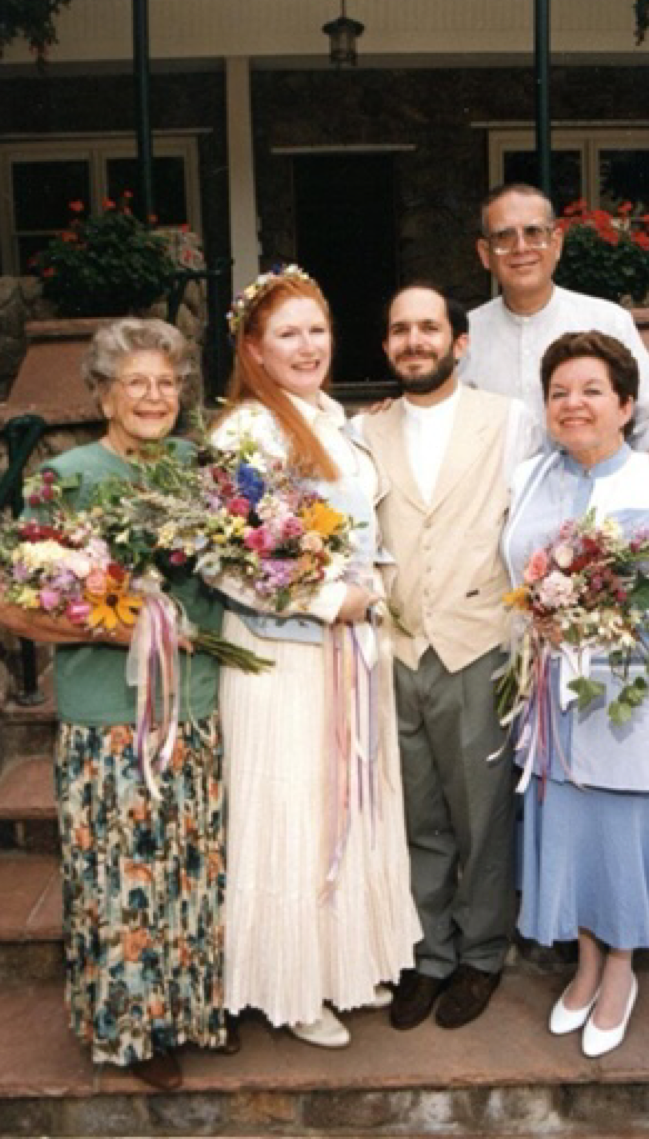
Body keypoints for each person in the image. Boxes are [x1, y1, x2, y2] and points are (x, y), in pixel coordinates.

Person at [0, 318, 230, 1091]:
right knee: (119, 875)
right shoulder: (66, 478)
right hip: (107, 716)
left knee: (190, 867)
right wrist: (121, 624)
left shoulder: (203, 471)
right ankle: (133, 1027)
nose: (154, 396)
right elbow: (8, 600)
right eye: (136, 383)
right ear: (102, 395)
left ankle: (191, 1011)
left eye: (167, 382)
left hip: (195, 705)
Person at [211, 266, 420, 1049]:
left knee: (347, 800)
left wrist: (369, 595)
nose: (307, 347)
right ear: (254, 350)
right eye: (287, 334)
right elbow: (227, 559)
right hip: (284, 660)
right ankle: (292, 987)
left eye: (317, 330)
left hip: (350, 648)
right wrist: (330, 599)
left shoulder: (333, 418)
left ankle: (341, 964)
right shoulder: (245, 432)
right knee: (297, 810)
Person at [501, 329, 649, 1058]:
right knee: (571, 832)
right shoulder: (530, 477)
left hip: (624, 694)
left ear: (626, 405)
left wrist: (606, 631)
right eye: (559, 392)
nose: (574, 403)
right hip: (551, 698)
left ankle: (621, 969)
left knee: (621, 836)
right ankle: (586, 961)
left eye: (592, 390)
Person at [356, 284, 538, 1031]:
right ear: (387, 346)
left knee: (482, 815)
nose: (414, 340)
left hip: (476, 641)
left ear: (459, 342)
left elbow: (538, 513)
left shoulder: (511, 420)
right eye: (400, 329)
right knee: (416, 813)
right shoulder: (361, 431)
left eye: (428, 327)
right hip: (397, 646)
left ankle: (481, 953)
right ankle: (428, 954)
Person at [463, 182, 649, 498]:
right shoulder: (463, 336)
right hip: (494, 509)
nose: (521, 247)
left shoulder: (607, 321)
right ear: (485, 254)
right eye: (504, 237)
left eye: (534, 233)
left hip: (595, 507)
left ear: (556, 243)